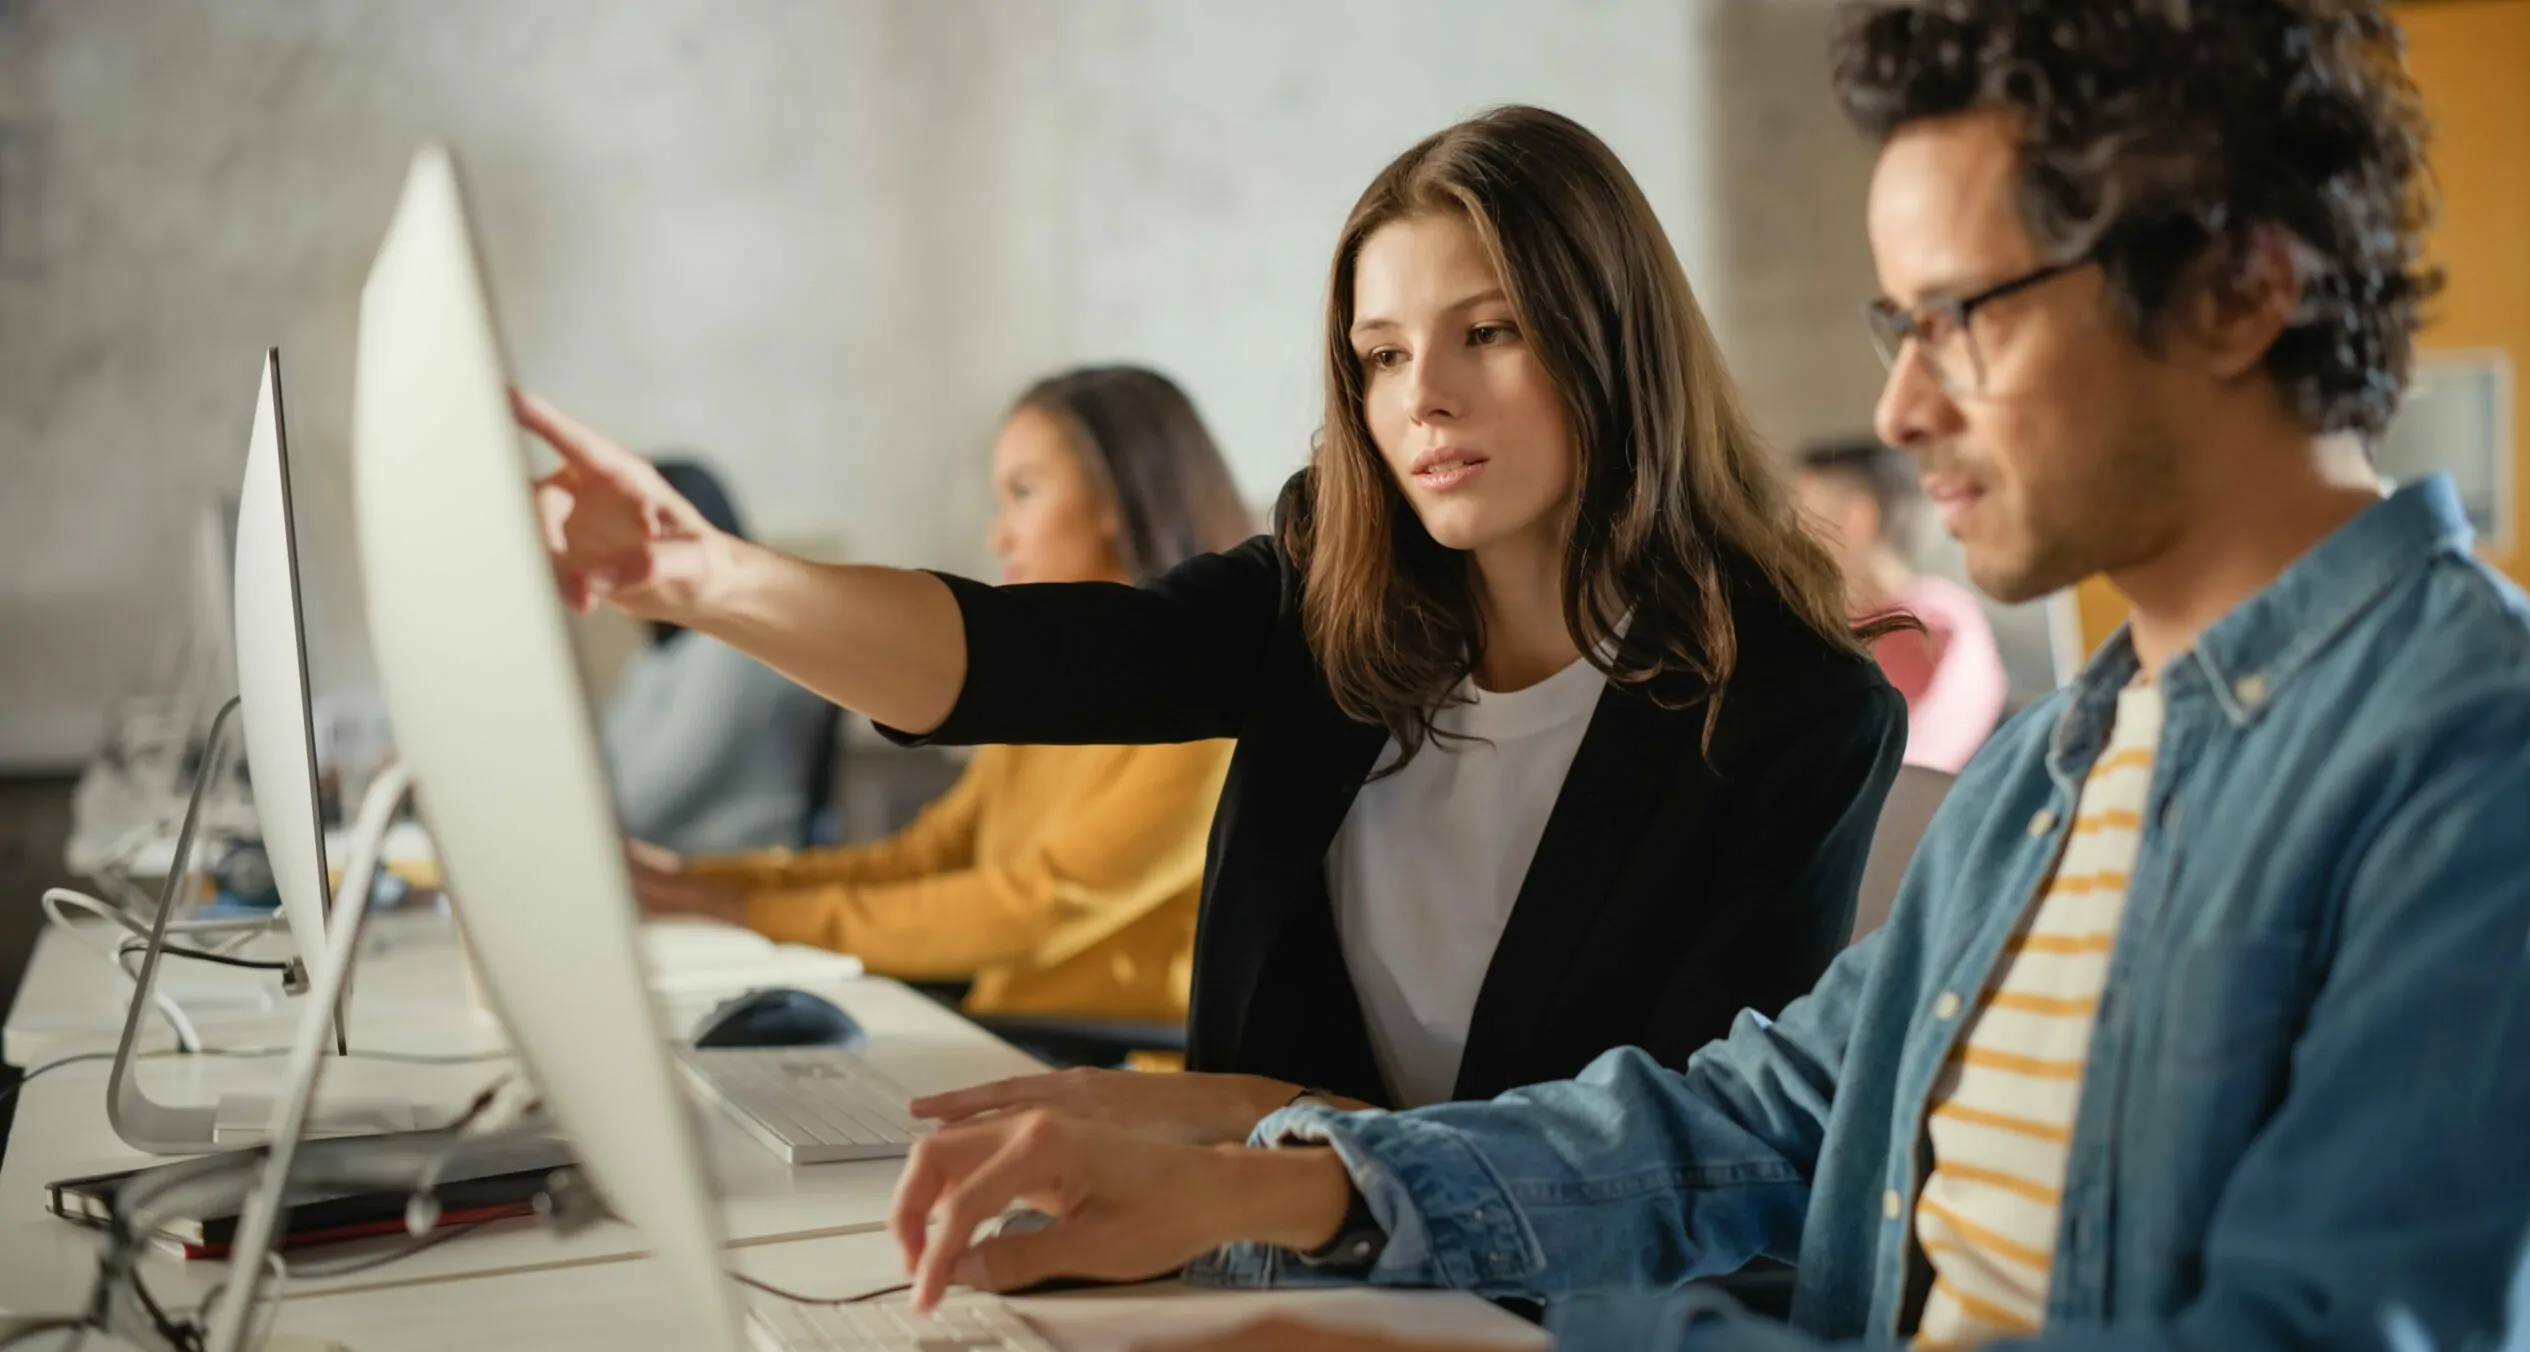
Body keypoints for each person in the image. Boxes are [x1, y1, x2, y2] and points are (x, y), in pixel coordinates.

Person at [882, 5, 2530, 1352]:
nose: (1903, 408)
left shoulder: (2487, 755)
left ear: (2238, 291)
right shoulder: (2072, 759)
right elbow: (1753, 1116)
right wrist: (1274, 1181)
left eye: (1962, 316)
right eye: (1896, 329)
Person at [521, 106, 1908, 1144]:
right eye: (1377, 355)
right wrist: (702, 578)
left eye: (1488, 332)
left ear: (1611, 340)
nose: (1421, 395)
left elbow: (1678, 1160)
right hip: (1270, 1262)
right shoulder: (1328, 593)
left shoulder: (1794, 716)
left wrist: (1248, 1127)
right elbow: (1014, 660)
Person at [627, 367, 1247, 1024]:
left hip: (1113, 1069)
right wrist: (694, 881)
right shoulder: (1058, 692)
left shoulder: (1213, 712)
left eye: (1024, 494)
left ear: (1119, 496)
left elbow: (1030, 909)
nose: (997, 536)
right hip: (1011, 1043)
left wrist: (732, 909)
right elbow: (922, 861)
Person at [597, 460, 837, 853]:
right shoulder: (659, 655)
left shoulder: (732, 650)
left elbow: (642, 805)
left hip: (734, 866)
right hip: (672, 864)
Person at [1794, 438, 2006, 770]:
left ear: (1856, 519)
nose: (1788, 537)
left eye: (1803, 515)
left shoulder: (1919, 629)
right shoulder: (1943, 615)